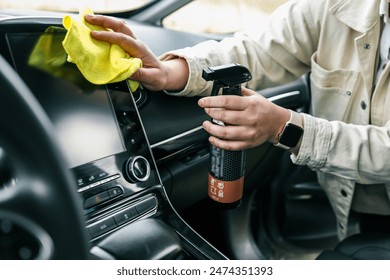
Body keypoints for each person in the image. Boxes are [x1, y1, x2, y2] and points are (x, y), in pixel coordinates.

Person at [85, 0, 390, 240]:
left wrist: (284, 128)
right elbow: (260, 50)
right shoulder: (337, 5)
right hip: (350, 206)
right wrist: (173, 72)